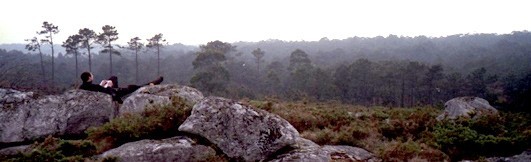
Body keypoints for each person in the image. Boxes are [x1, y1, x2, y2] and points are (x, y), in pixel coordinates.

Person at [79, 72, 163, 104]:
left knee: (113, 77)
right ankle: (151, 84)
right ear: (89, 78)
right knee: (133, 87)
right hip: (114, 93)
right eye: (91, 75)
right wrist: (108, 85)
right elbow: (104, 91)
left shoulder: (82, 87)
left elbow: (98, 89)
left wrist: (102, 84)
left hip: (108, 90)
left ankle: (151, 83)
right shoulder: (92, 86)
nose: (92, 75)